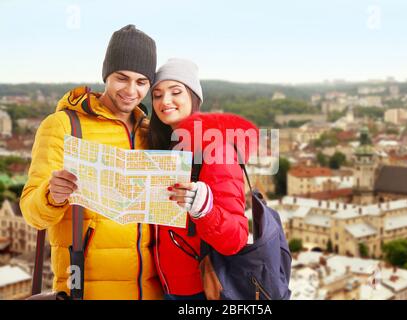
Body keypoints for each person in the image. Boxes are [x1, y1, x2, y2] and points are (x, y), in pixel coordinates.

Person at [20, 25, 163, 300]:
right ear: (106, 75)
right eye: (122, 78)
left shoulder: (150, 132)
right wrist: (52, 195)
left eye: (142, 82)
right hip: (88, 290)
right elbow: (31, 213)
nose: (131, 90)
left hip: (154, 292)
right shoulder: (63, 125)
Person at [149, 58, 258, 299]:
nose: (164, 101)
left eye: (175, 92)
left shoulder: (216, 150)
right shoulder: (165, 146)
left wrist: (205, 210)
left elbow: (236, 239)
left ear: (193, 98)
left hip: (202, 288)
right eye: (156, 95)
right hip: (164, 285)